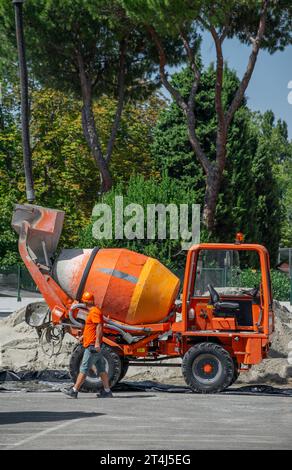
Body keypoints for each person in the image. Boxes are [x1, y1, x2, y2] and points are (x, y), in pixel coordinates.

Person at [63, 291, 113, 398]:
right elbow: (92, 328)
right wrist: (84, 337)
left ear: (85, 303)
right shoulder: (93, 311)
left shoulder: (94, 312)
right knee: (102, 370)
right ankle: (107, 391)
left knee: (84, 368)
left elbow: (98, 327)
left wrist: (97, 343)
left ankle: (74, 390)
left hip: (92, 346)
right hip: (93, 345)